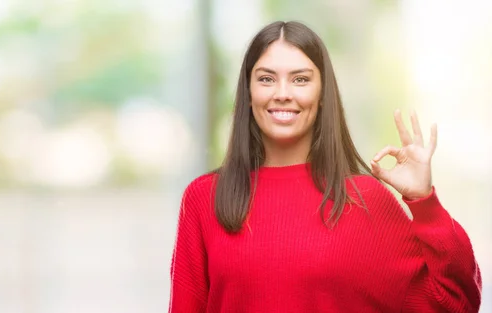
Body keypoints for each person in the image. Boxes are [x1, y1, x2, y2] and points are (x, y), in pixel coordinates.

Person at [168, 21, 482, 313]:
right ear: (249, 94)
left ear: (321, 95)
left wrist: (424, 202)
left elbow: (455, 303)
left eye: (300, 79)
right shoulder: (205, 198)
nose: (282, 94)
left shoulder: (365, 200)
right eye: (266, 79)